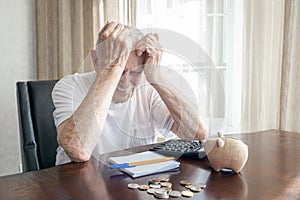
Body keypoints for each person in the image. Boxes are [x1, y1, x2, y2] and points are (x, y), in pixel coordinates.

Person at [52, 21, 207, 165]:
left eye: (135, 72)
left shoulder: (147, 88)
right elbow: (78, 151)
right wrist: (112, 69)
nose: (126, 83)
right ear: (95, 60)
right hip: (76, 187)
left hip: (132, 185)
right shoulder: (69, 86)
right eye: (120, 71)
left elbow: (197, 134)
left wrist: (157, 77)